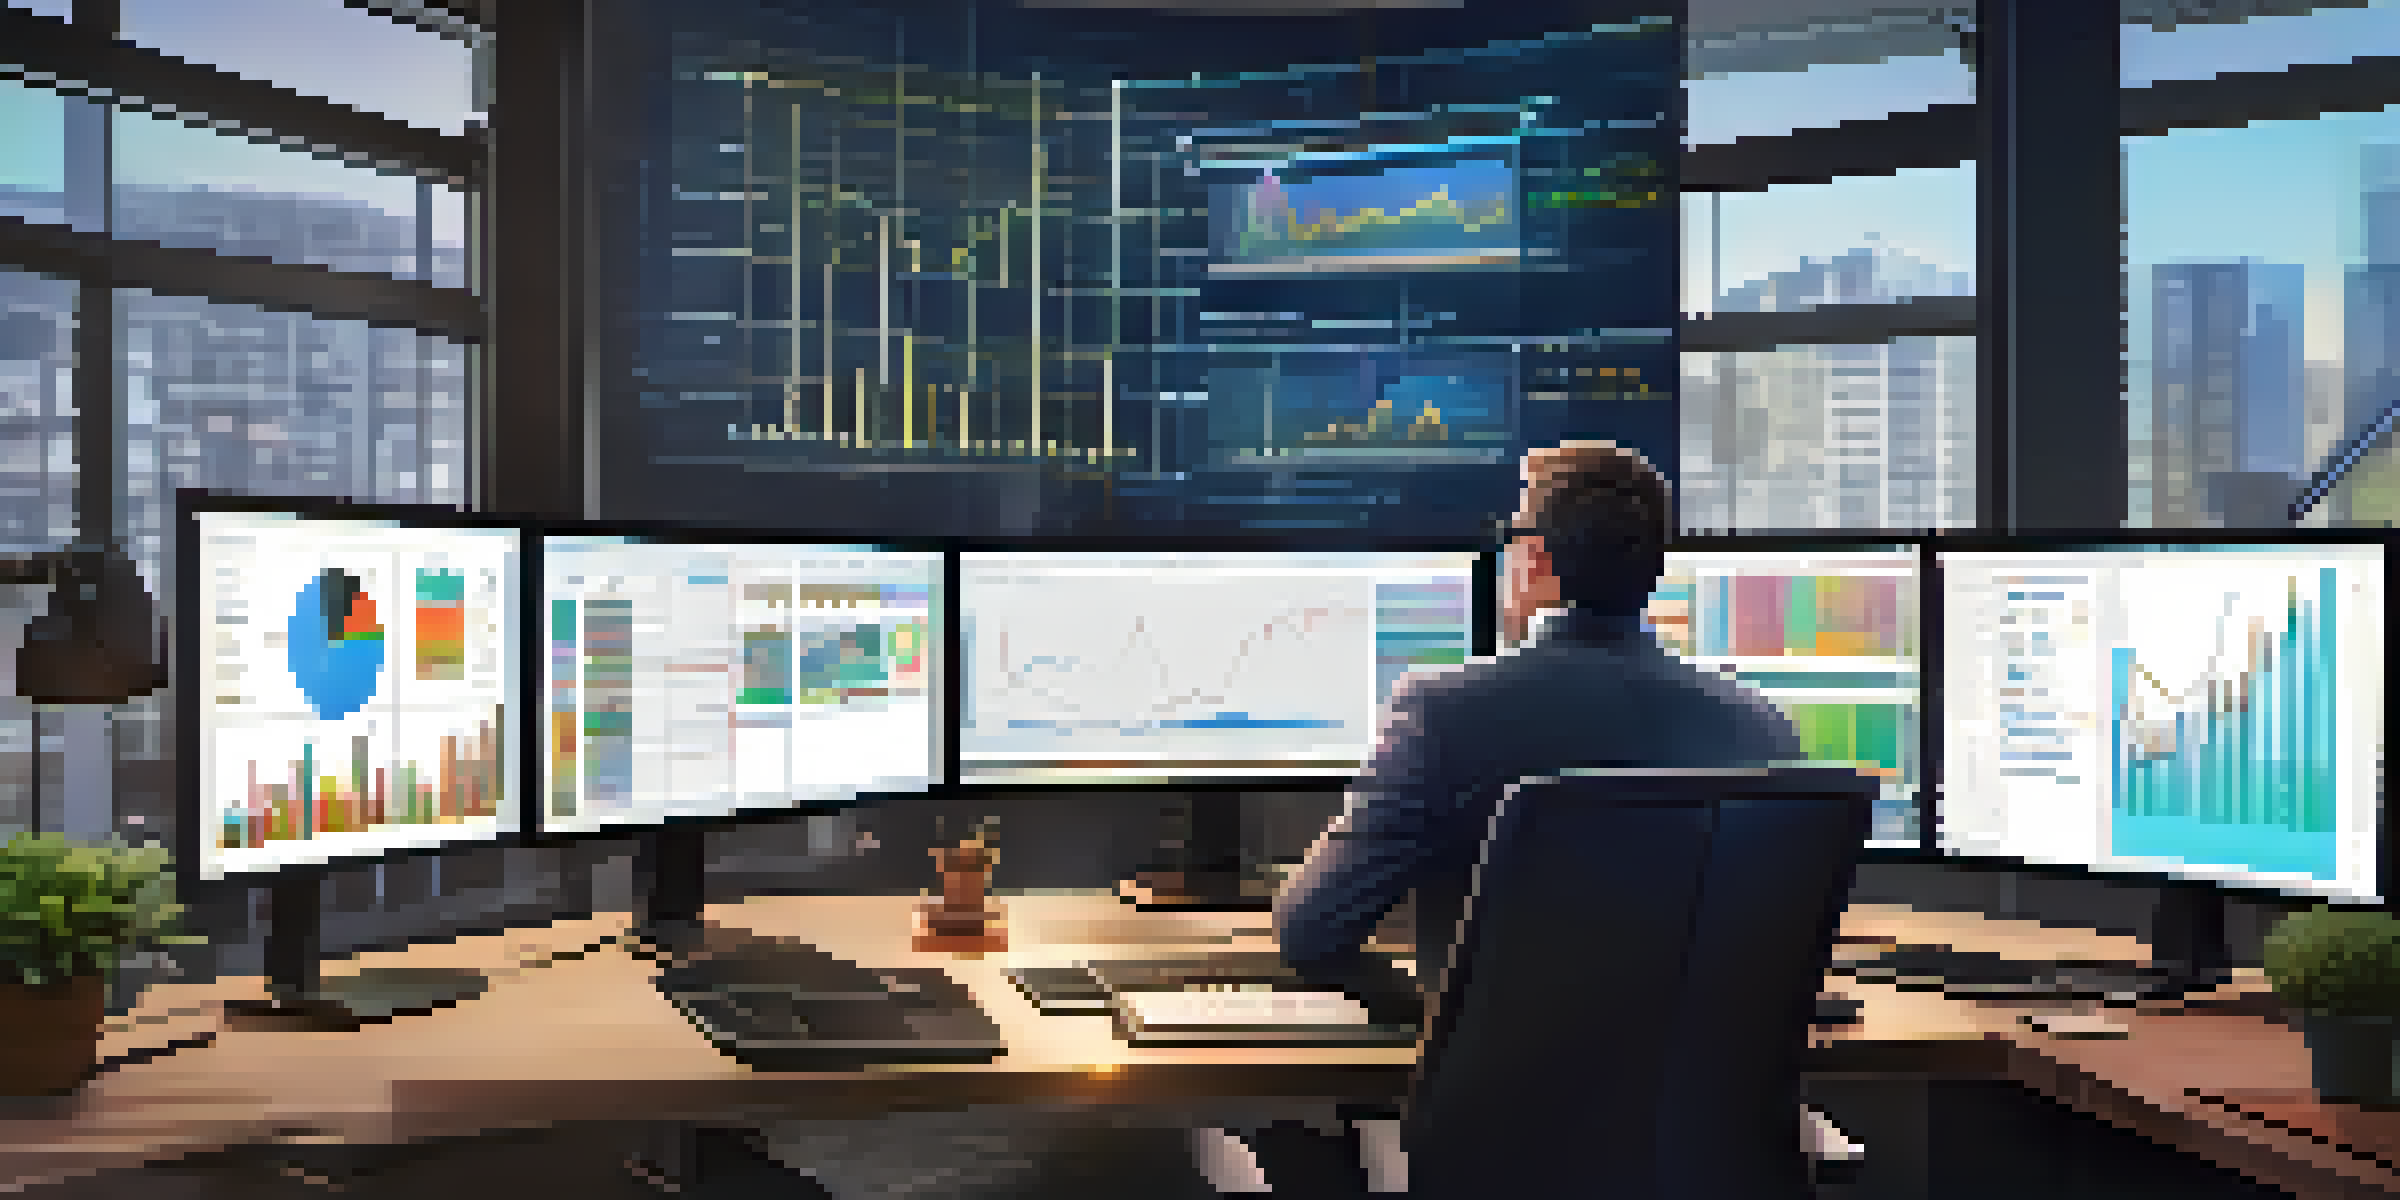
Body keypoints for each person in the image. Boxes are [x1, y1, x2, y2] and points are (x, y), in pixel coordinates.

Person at [1246, 440, 1807, 1193]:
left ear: (1535, 561)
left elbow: (1312, 929)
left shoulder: (1443, 711)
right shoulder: (1761, 729)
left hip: (1497, 1163)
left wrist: (1445, 1013)